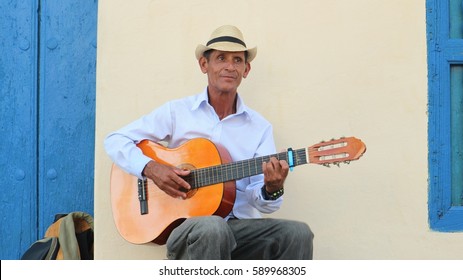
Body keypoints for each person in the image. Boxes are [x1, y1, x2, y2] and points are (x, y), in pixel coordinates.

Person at [104, 25, 314, 260]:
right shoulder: (178, 112)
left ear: (246, 69)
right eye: (221, 58)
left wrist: (272, 189)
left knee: (298, 233)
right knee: (213, 227)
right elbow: (115, 140)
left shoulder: (260, 127)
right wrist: (151, 169)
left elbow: (263, 202)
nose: (229, 66)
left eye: (237, 60)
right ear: (204, 65)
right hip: (191, 231)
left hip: (240, 230)